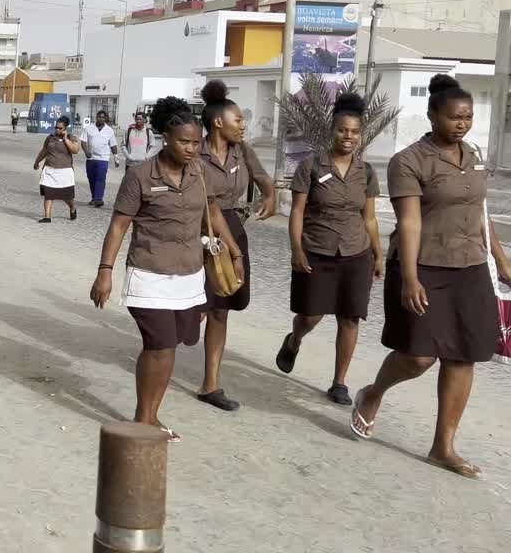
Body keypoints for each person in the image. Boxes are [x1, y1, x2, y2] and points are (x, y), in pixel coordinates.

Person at [352, 74, 511, 479]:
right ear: (432, 116)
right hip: (423, 266)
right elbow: (409, 223)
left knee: (463, 355)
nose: (462, 123)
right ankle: (373, 392)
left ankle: (443, 446)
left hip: (470, 267)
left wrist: (501, 259)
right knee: (419, 356)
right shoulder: (409, 161)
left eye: (469, 117)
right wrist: (409, 276)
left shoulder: (473, 154)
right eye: (455, 117)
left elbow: (479, 211)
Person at [90, 97, 243, 442]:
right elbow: (118, 226)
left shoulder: (200, 172)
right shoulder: (140, 176)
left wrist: (234, 251)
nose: (191, 148)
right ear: (165, 138)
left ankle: (151, 415)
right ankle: (143, 419)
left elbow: (213, 212)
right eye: (183, 141)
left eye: (196, 142)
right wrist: (104, 271)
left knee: (172, 345)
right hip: (149, 274)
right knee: (158, 344)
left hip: (190, 274)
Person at [276, 93, 384, 404]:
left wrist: (378, 255)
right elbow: (297, 211)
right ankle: (295, 340)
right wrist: (296, 250)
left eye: (354, 131)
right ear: (332, 131)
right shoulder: (311, 166)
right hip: (317, 249)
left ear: (359, 135)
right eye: (342, 130)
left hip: (356, 252)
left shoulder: (367, 172)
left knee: (349, 318)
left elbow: (371, 218)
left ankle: (339, 382)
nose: (348, 136)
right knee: (311, 315)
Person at [196, 80, 276, 411]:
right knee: (195, 308)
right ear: (219, 123)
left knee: (220, 309)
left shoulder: (243, 151)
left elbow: (262, 178)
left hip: (233, 229)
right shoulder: (194, 152)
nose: (243, 125)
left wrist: (271, 194)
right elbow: (205, 207)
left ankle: (210, 385)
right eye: (238, 120)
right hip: (197, 233)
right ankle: (160, 354)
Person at [34, 115, 81, 222]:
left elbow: (75, 150)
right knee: (48, 193)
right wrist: (37, 162)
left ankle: (72, 207)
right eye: (56, 127)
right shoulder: (50, 138)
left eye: (60, 128)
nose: (57, 130)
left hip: (64, 171)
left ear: (65, 128)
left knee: (65, 195)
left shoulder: (71, 138)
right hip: (49, 169)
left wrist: (65, 139)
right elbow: (44, 151)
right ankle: (47, 217)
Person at [83, 111, 119, 207]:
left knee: (100, 178)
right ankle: (94, 198)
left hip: (103, 158)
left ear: (105, 119)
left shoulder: (109, 130)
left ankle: (99, 199)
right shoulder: (89, 128)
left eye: (102, 117)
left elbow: (113, 145)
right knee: (91, 178)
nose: (100, 119)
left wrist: (116, 157)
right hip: (91, 159)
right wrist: (86, 152)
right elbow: (83, 141)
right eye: (98, 117)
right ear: (96, 117)